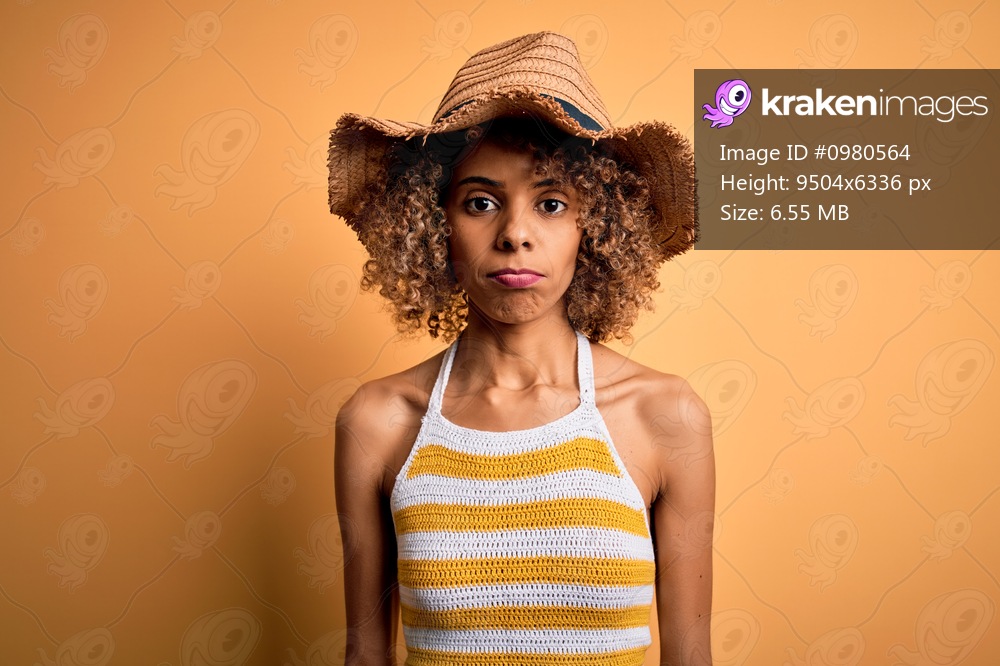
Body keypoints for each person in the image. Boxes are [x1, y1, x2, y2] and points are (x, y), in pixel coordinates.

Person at [329, 32, 714, 666]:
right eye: (480, 202)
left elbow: (691, 657)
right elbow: (365, 656)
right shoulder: (378, 420)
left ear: (594, 229)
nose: (514, 235)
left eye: (552, 203)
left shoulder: (666, 415)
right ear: (433, 223)